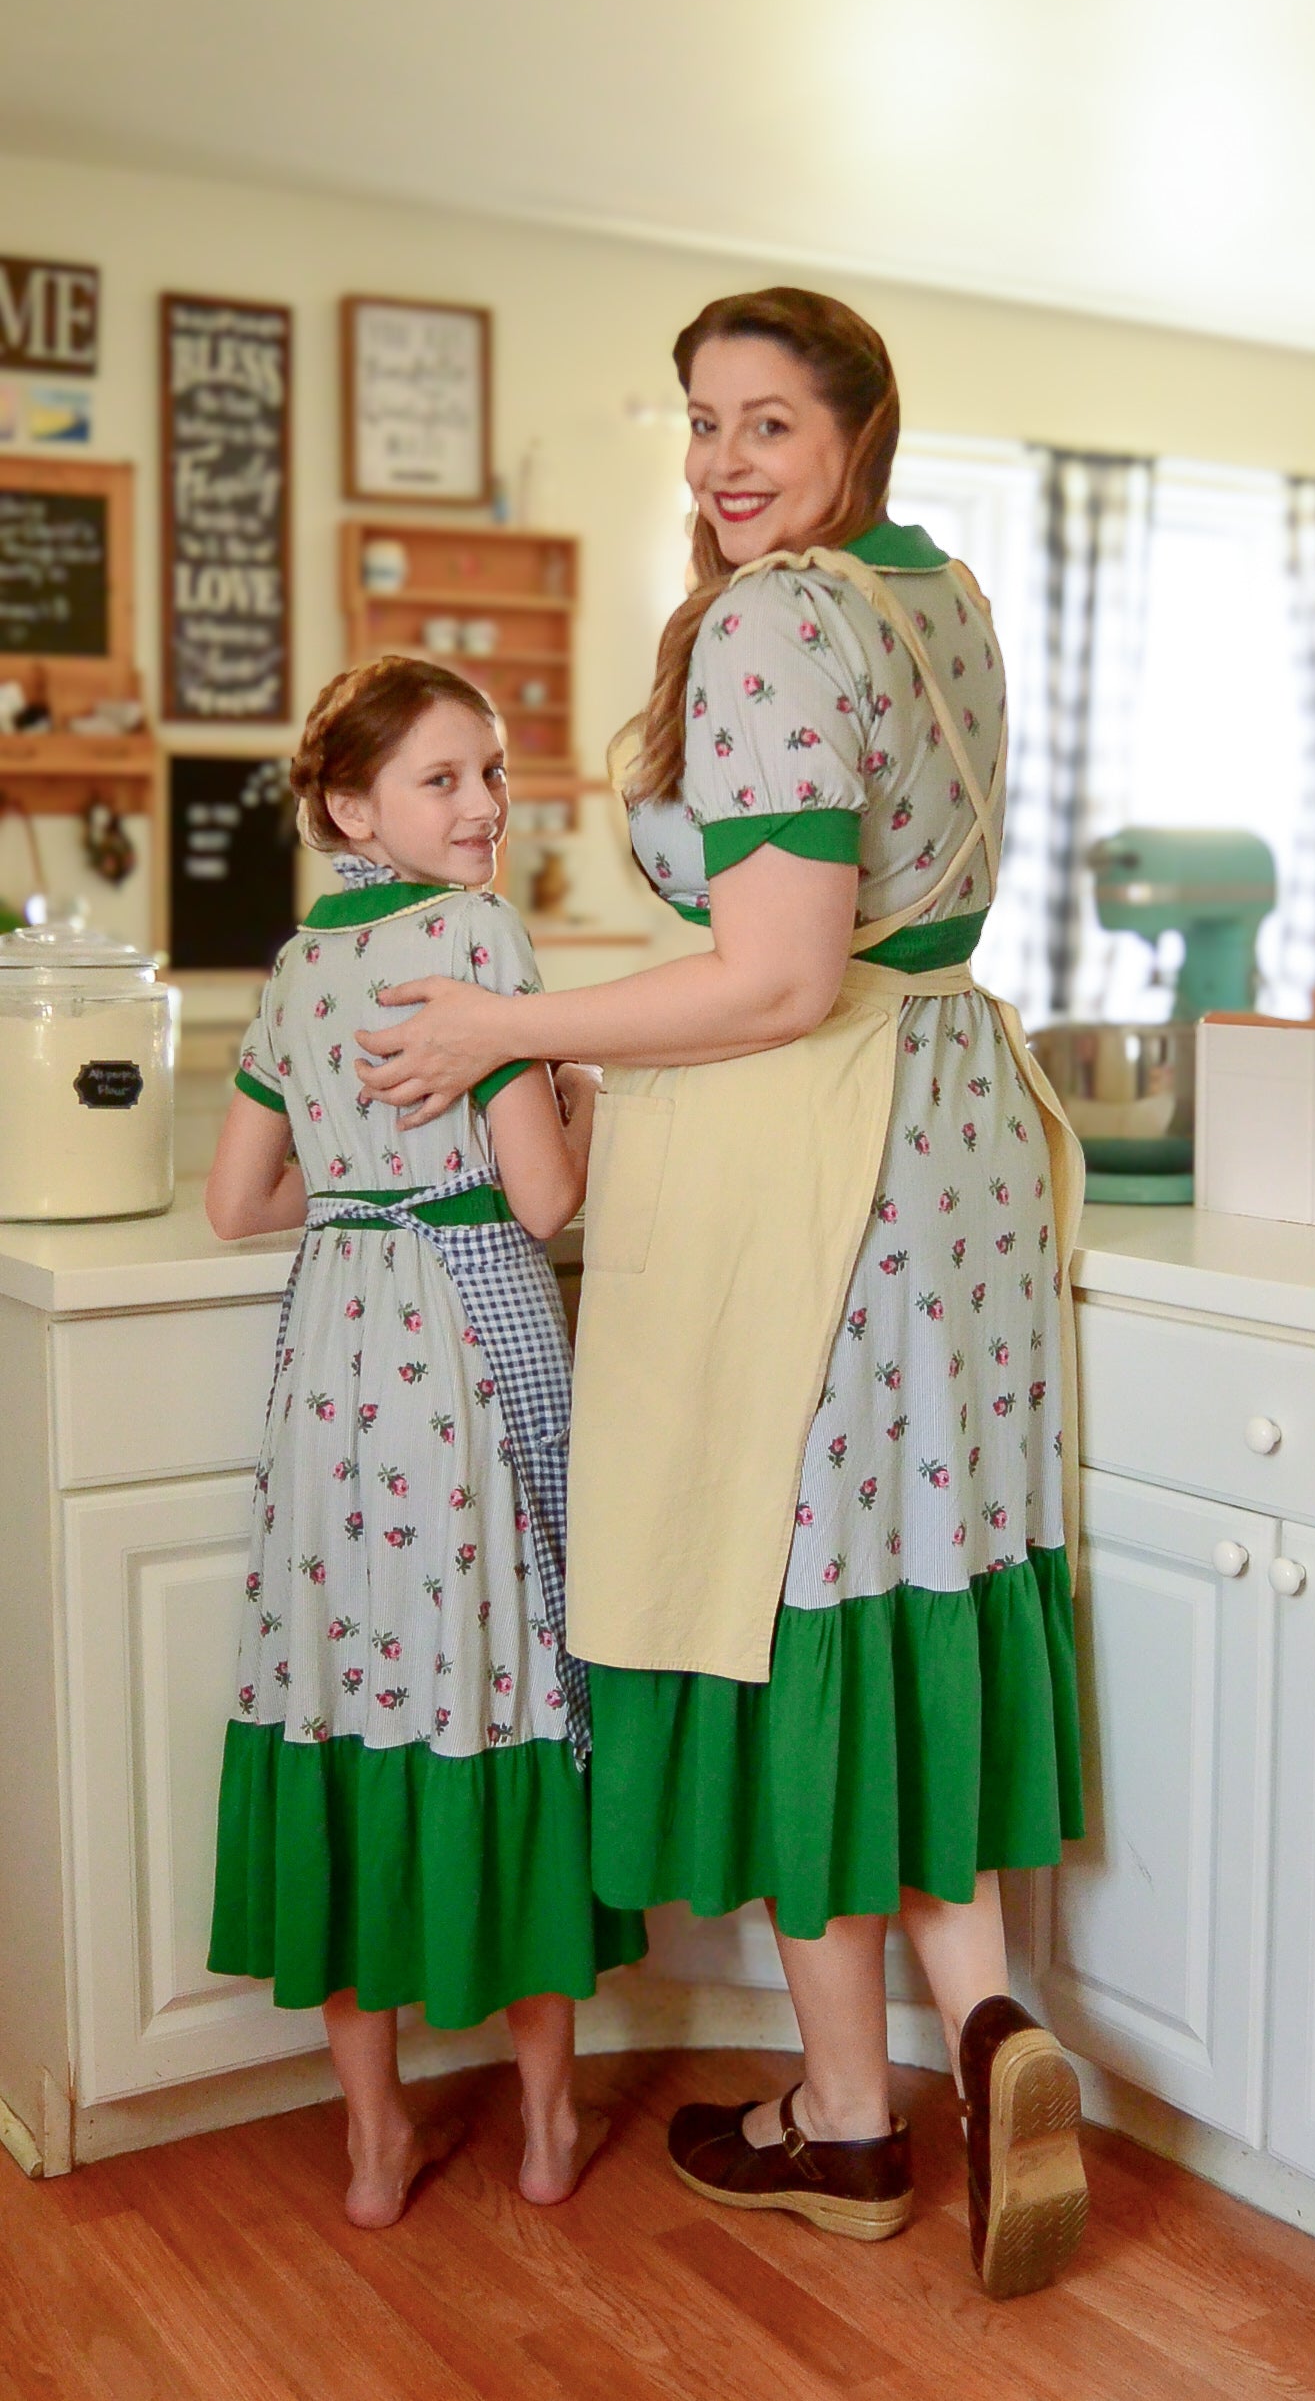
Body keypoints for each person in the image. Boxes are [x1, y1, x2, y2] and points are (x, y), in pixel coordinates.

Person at [354, 289, 1089, 2297]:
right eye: (701, 422)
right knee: (908, 1583)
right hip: (955, 1160)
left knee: (786, 1617)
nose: (724, 461)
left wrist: (512, 1016)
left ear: (862, 427)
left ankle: (850, 2117)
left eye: (770, 420)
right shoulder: (936, 589)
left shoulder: (772, 622)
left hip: (819, 1160)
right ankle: (993, 2031)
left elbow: (772, 970)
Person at [204, 655, 645, 2229]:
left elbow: (236, 1201)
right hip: (462, 1344)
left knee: (339, 1684)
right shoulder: (475, 939)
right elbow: (543, 1200)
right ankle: (541, 2125)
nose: (482, 805)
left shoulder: (292, 960)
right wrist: (578, 1089)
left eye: (493, 770)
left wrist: (366, 1194)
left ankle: (374, 2145)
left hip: (334, 1353)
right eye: (443, 779)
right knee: (504, 1682)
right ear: (350, 807)